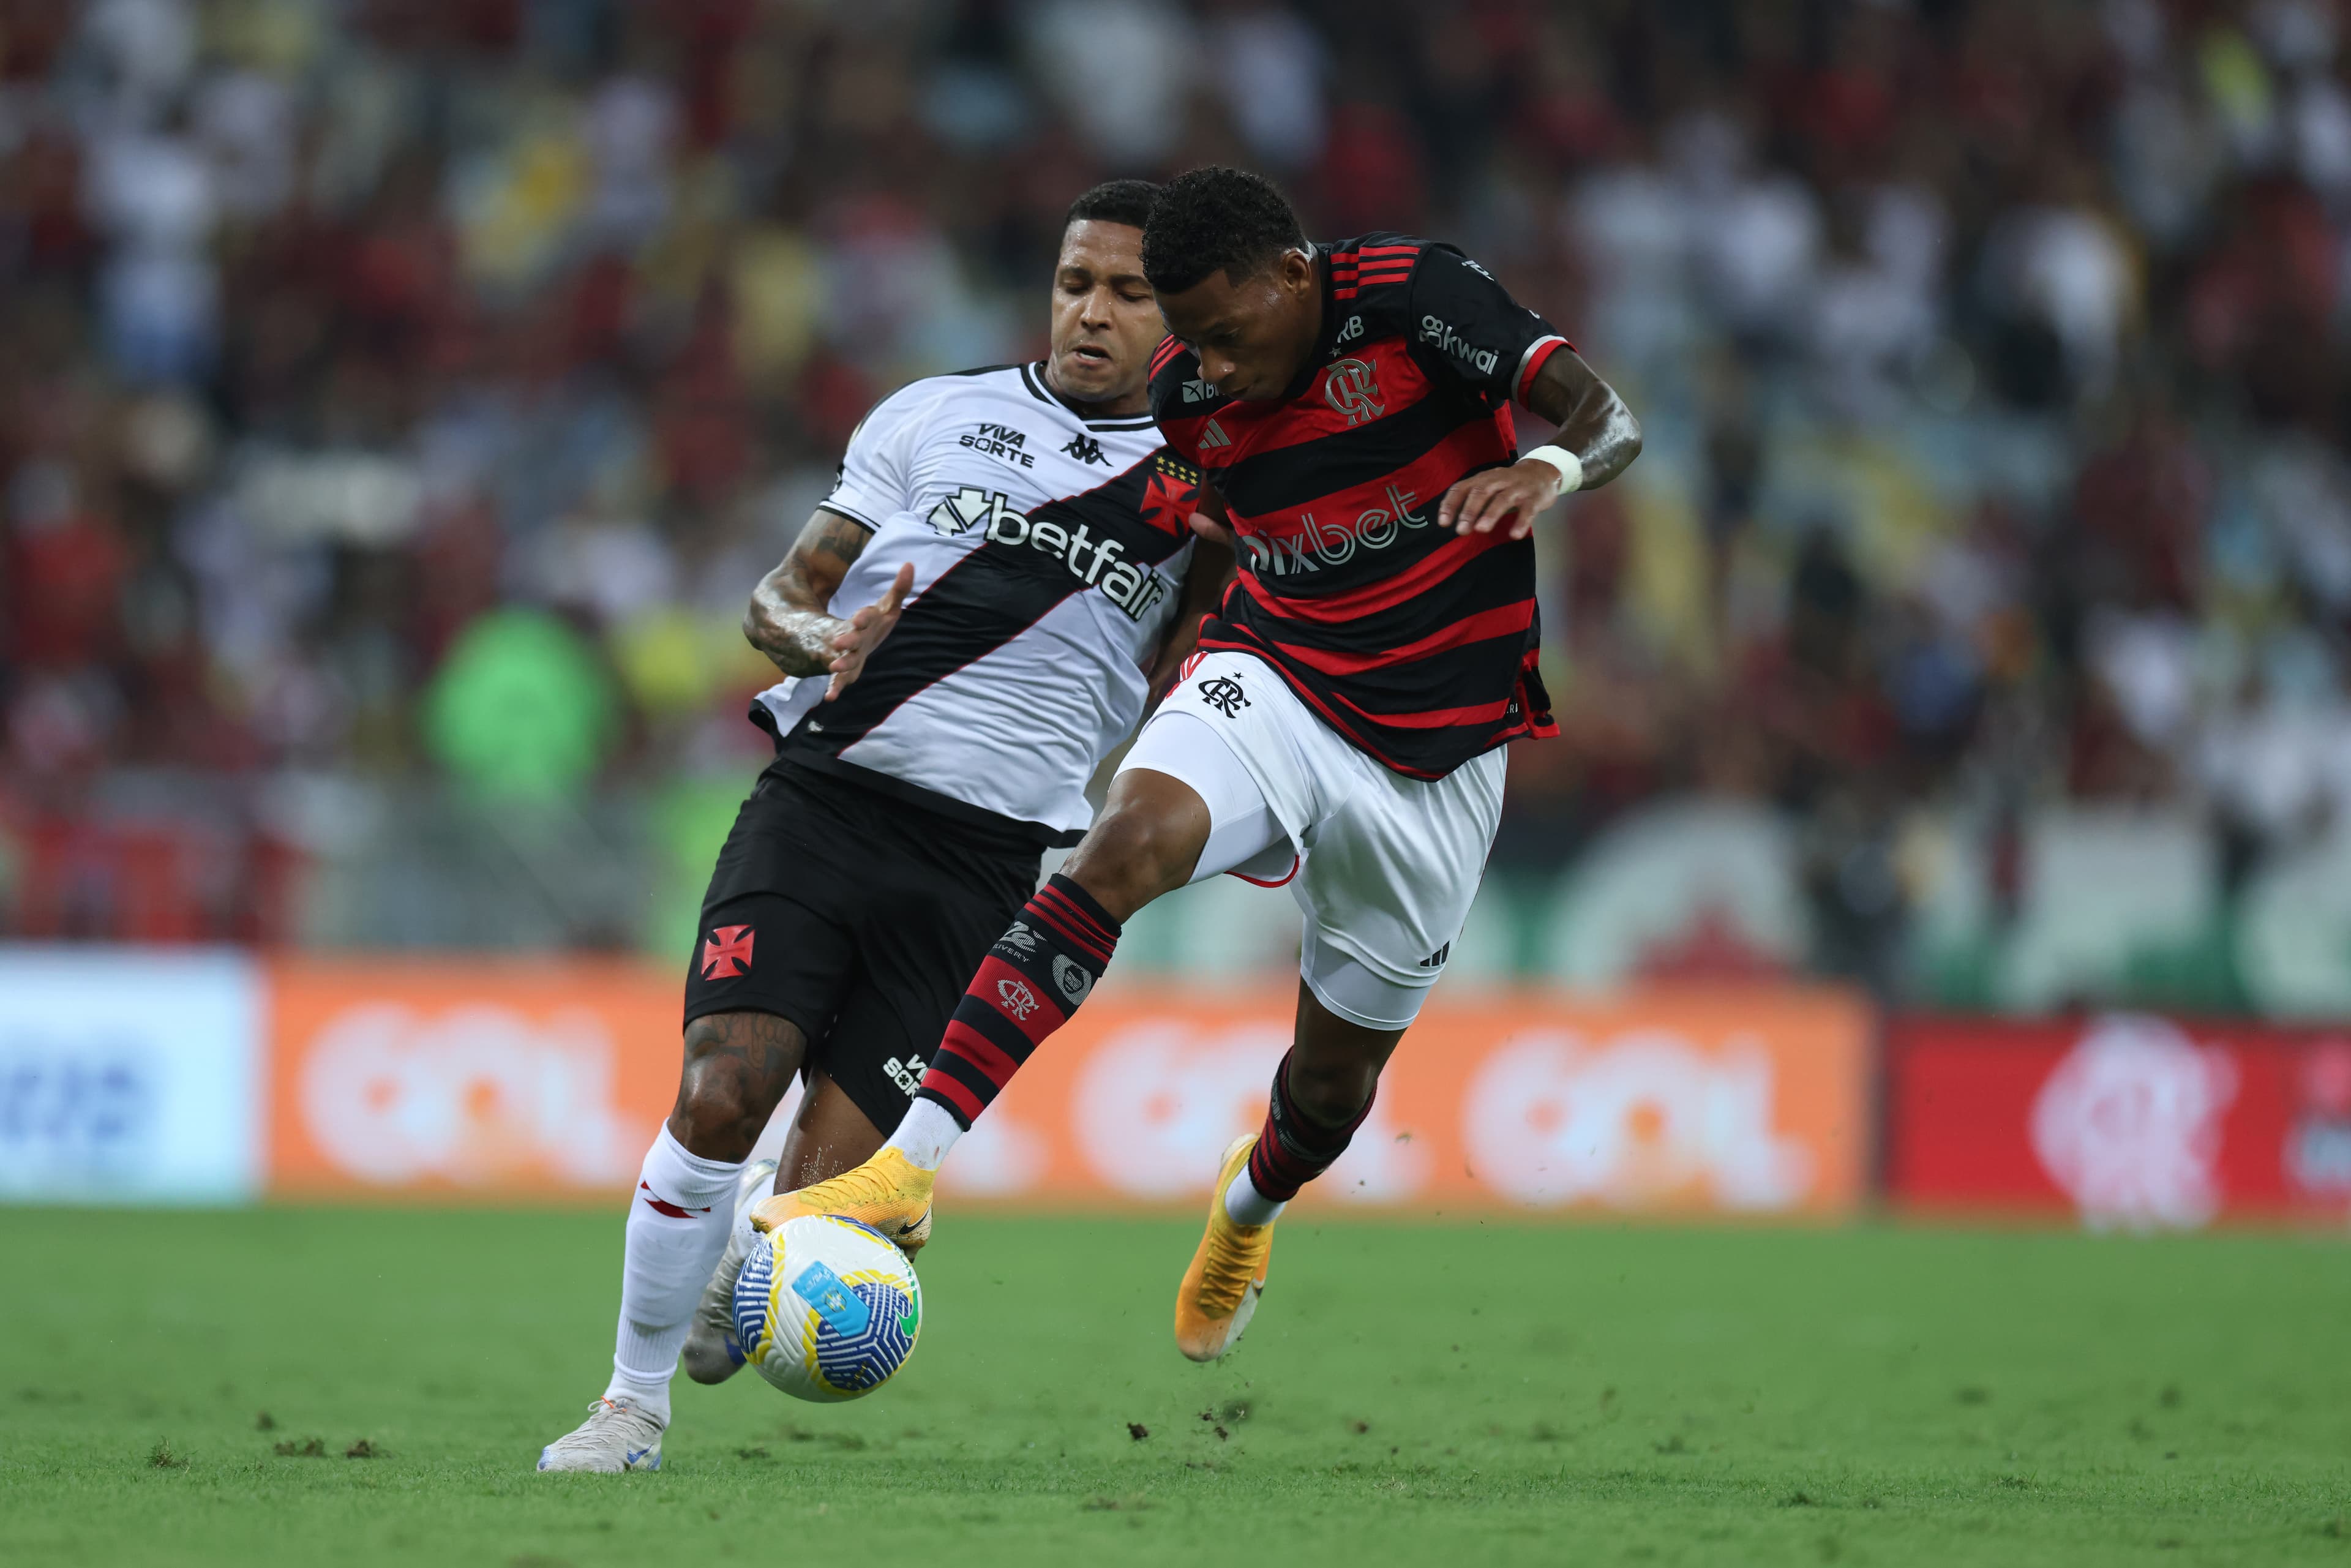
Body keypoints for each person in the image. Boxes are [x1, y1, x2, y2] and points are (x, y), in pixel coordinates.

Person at [755, 165, 1641, 1362]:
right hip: (1277, 677)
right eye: (1193, 344)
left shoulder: (1416, 298)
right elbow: (1212, 534)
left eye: (1225, 336)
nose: (1210, 368)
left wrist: (1547, 469)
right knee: (1119, 851)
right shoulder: (1189, 398)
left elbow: (1612, 419)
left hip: (1438, 752)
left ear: (1292, 274)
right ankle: (903, 1175)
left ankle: (1249, 1209)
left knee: (1329, 1094)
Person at [538, 179, 1226, 1471]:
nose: (1092, 313)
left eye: (1130, 294)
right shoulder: (934, 413)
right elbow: (780, 599)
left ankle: (750, 1236)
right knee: (721, 1086)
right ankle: (629, 1410)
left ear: (1182, 315)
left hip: (990, 866)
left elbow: (1192, 677)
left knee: (820, 1214)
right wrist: (822, 637)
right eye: (1077, 283)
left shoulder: (1214, 488)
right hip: (827, 802)